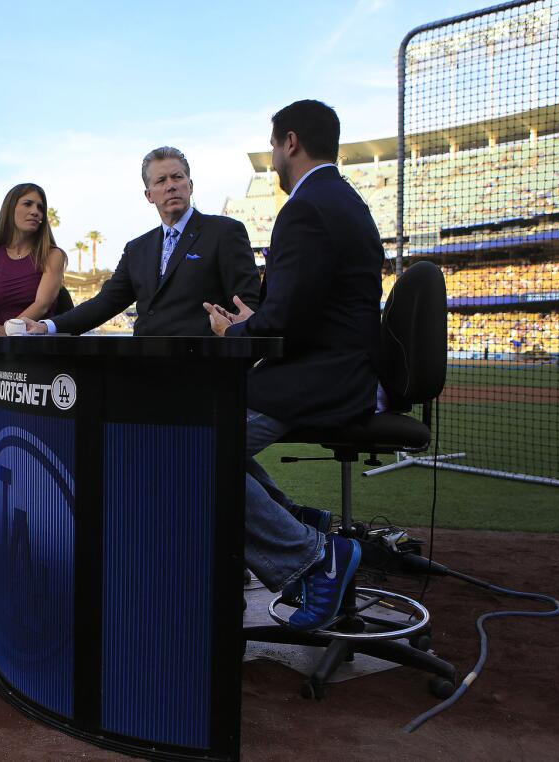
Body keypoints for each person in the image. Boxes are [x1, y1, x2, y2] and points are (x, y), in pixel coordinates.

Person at [204, 100, 382, 631]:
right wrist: (255, 316)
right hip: (332, 367)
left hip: (321, 377)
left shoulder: (306, 207)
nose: (275, 158)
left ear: (291, 142)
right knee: (205, 435)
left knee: (196, 446)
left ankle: (312, 556)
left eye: (275, 145)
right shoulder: (340, 199)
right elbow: (299, 306)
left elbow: (288, 325)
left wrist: (233, 331)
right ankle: (296, 524)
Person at [21, 146, 259, 336]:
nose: (171, 186)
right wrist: (48, 326)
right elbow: (105, 303)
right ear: (149, 195)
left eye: (177, 177)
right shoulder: (137, 249)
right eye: (161, 181)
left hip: (204, 372)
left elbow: (246, 307)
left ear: (190, 185)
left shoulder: (225, 232)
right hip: (143, 370)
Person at [0, 183, 67, 337]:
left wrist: (8, 330)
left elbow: (42, 305)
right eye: (28, 204)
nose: (35, 212)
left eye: (40, 208)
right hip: (0, 348)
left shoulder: (53, 255)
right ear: (10, 209)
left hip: (39, 346)